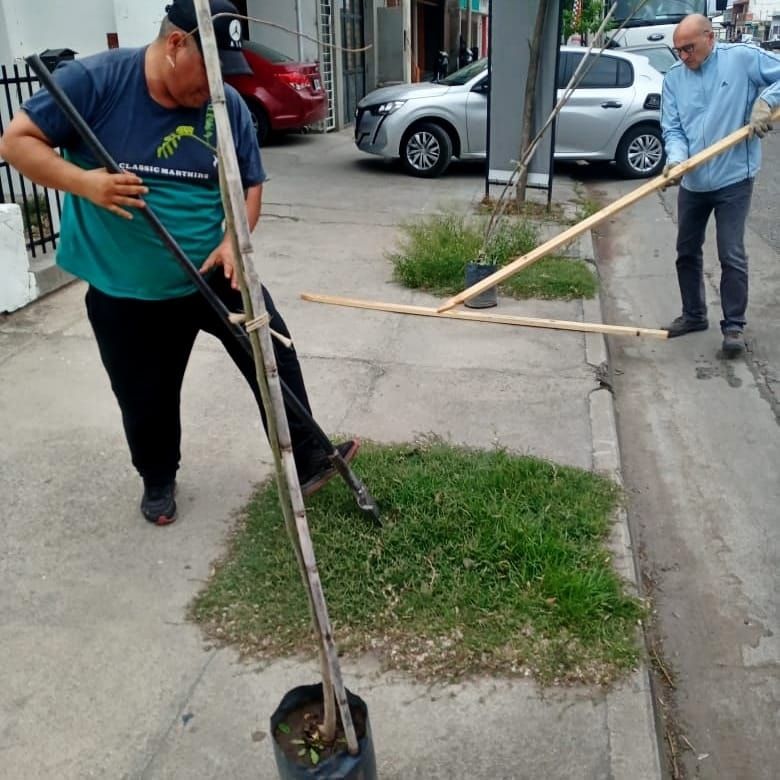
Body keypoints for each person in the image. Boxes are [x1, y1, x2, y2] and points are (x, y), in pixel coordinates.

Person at [0, 0, 358, 526]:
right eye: (208, 71)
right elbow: (16, 142)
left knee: (272, 353)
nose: (214, 87)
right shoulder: (94, 83)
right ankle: (158, 480)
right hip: (127, 289)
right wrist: (87, 184)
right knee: (146, 400)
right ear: (174, 45)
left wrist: (235, 238)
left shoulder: (226, 106)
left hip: (215, 273)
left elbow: (250, 185)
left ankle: (307, 458)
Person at [660, 14, 780, 355]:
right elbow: (673, 129)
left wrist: (767, 101)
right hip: (695, 181)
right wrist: (676, 160)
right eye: (678, 50)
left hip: (733, 178)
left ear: (710, 38)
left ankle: (734, 327)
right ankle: (694, 314)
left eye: (689, 48)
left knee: (731, 253)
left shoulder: (741, 58)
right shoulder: (673, 79)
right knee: (686, 251)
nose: (683, 56)